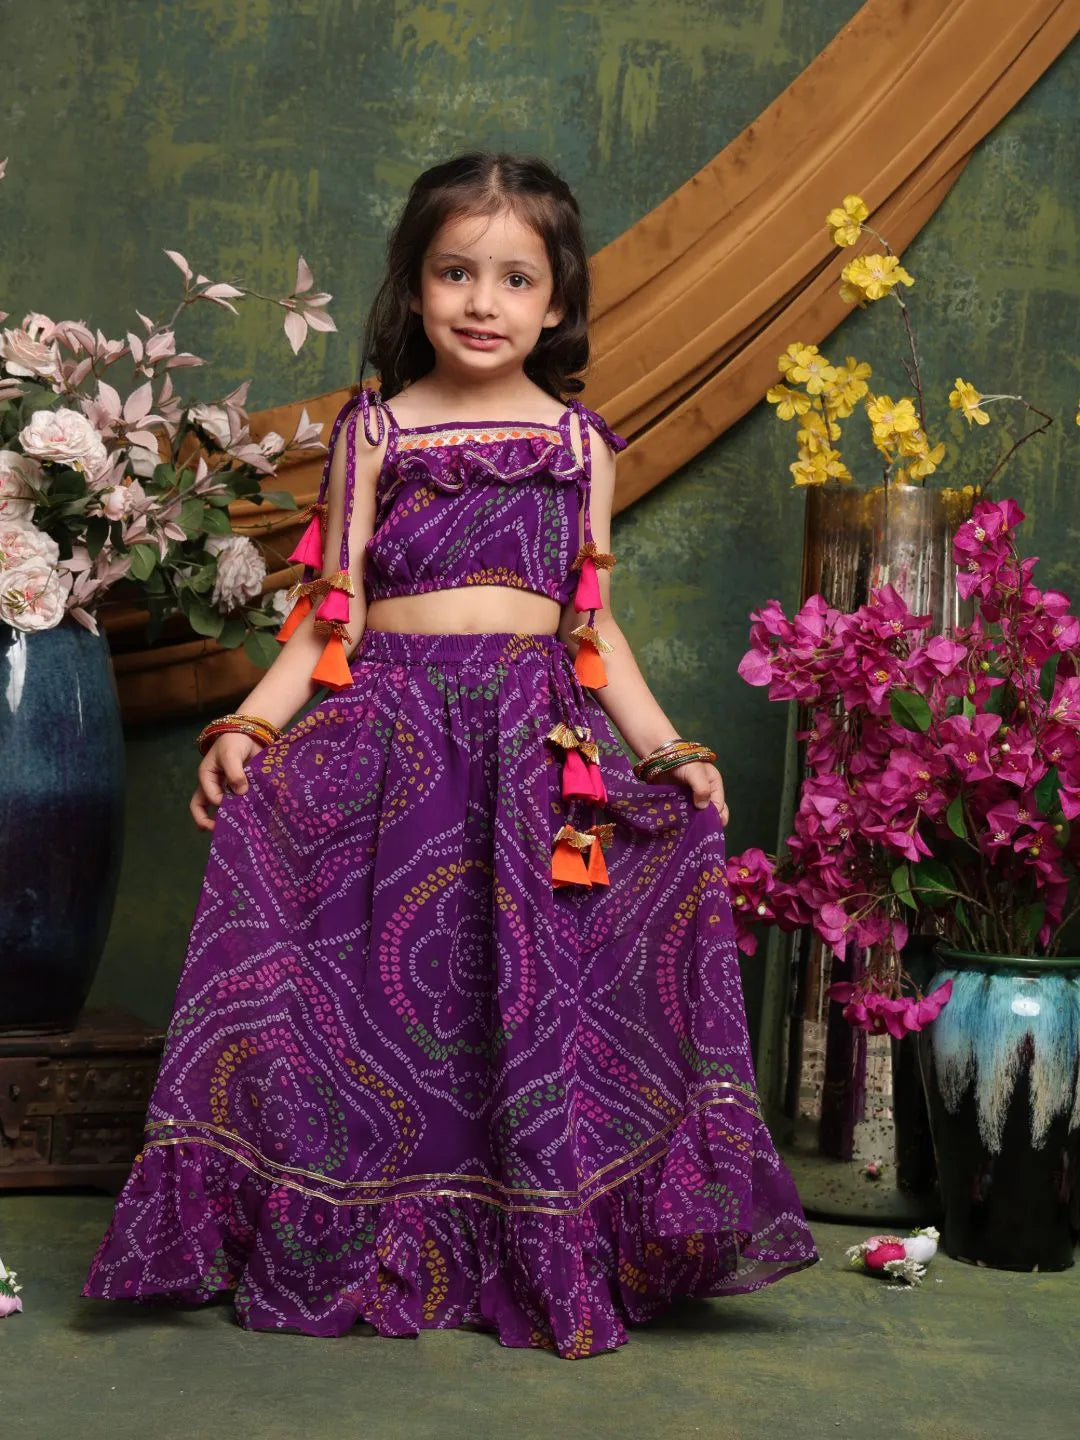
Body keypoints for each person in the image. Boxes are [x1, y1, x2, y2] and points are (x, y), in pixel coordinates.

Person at [83, 150, 817, 1357]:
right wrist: (254, 725)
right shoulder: (372, 433)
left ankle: (533, 1233)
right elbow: (331, 612)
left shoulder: (582, 447)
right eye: (455, 273)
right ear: (414, 288)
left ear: (560, 299)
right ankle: (358, 1226)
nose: (483, 302)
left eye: (515, 278)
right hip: (391, 741)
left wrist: (670, 747)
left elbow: (595, 628)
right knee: (383, 1002)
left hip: (536, 750)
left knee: (512, 994)